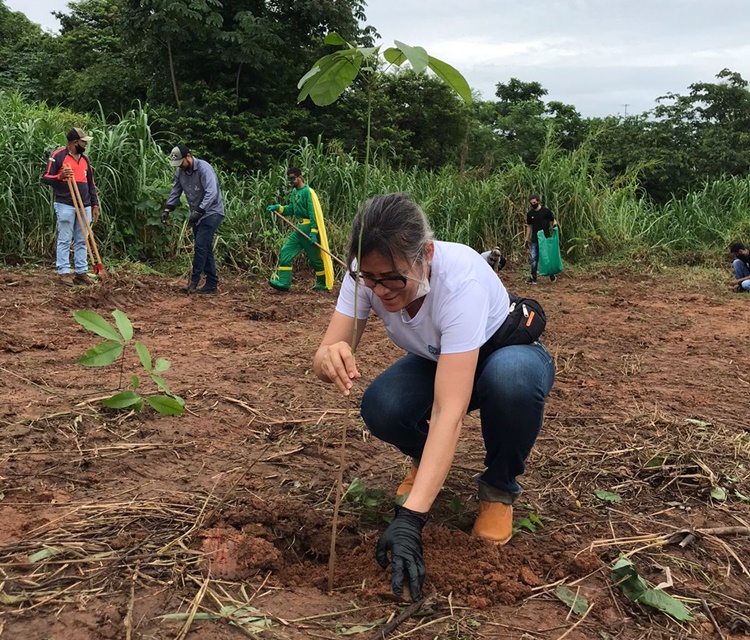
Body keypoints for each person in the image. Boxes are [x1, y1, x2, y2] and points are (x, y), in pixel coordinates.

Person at [312, 193, 555, 601]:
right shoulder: (365, 274)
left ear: (425, 253)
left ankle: (498, 488)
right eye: (370, 279)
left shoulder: (460, 280)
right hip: (438, 358)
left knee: (512, 382)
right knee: (382, 405)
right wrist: (326, 357)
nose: (380, 290)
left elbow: (449, 411)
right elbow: (327, 350)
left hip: (504, 352)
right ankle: (428, 464)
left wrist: (410, 519)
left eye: (392, 278)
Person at [161, 145, 225, 294]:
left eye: (181, 163)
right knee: (205, 247)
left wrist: (199, 211)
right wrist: (167, 209)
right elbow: (176, 190)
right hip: (197, 214)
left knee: (201, 246)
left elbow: (212, 192)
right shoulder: (180, 172)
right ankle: (211, 284)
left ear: (188, 157)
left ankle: (194, 282)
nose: (180, 168)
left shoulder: (204, 168)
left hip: (212, 212)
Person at [42, 127, 100, 286]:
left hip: (85, 204)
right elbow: (46, 178)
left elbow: (91, 184)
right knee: (65, 239)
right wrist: (59, 177)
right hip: (65, 203)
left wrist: (95, 204)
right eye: (83, 142)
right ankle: (63, 272)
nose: (85, 145)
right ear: (75, 142)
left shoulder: (85, 159)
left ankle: (81, 272)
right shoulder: (58, 155)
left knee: (83, 240)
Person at [266, 167, 329, 292]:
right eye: (288, 179)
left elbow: (313, 213)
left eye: (292, 178)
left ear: (299, 177)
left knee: (315, 259)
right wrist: (278, 208)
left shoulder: (308, 192)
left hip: (308, 228)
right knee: (285, 252)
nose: (290, 181)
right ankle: (284, 283)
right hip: (298, 229)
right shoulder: (294, 192)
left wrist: (313, 232)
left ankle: (322, 283)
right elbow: (291, 209)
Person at [524, 195, 558, 284]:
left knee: (547, 258)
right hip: (535, 239)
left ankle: (552, 275)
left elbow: (553, 220)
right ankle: (533, 278)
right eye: (531, 203)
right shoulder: (530, 214)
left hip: (545, 238)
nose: (533, 204)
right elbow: (529, 226)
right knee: (534, 258)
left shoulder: (546, 212)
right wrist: (526, 239)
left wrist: (554, 226)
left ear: (538, 201)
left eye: (534, 203)